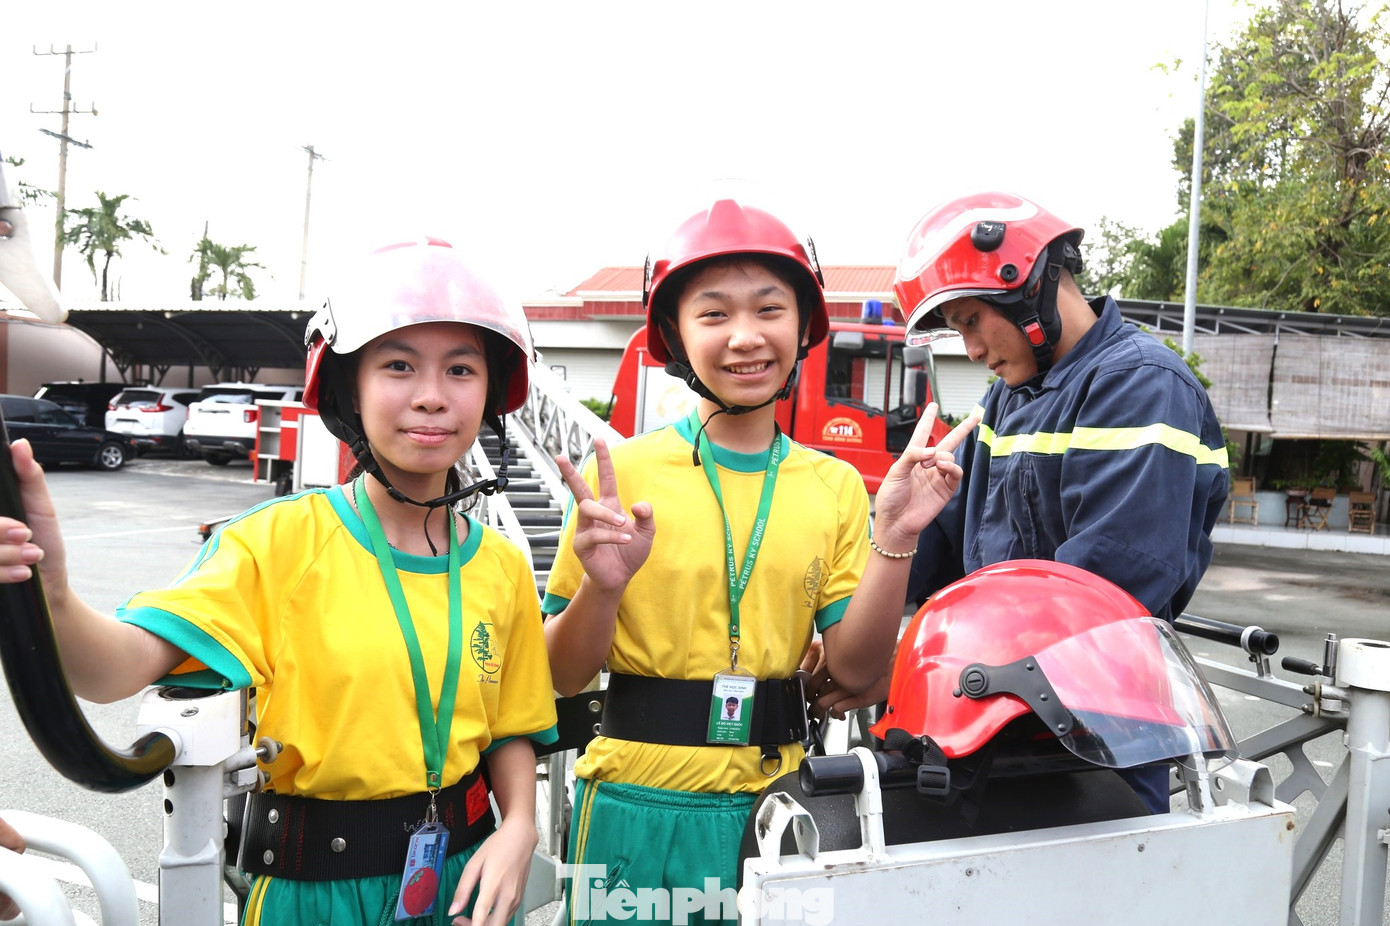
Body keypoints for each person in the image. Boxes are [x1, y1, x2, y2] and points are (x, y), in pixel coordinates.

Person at [0, 238, 558, 926]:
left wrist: (519, 826)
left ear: (491, 390)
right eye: (398, 366)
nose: (432, 397)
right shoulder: (274, 542)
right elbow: (110, 672)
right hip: (312, 892)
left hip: (466, 884)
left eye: (461, 369)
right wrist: (50, 592)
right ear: (349, 386)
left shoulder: (499, 564)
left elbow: (510, 726)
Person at [540, 197, 978, 923]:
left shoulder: (835, 485)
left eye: (769, 309)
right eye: (713, 314)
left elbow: (857, 673)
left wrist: (895, 536)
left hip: (782, 811)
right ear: (675, 338)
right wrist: (602, 589)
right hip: (630, 806)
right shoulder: (621, 474)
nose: (745, 336)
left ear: (803, 326)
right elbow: (561, 674)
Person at [854, 191, 1229, 814]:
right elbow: (954, 546)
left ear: (1028, 290)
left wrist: (925, 661)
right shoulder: (1012, 398)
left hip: (1097, 734)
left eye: (973, 321)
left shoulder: (1138, 385)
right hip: (995, 717)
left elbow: (1102, 582)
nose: (971, 349)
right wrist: (858, 625)